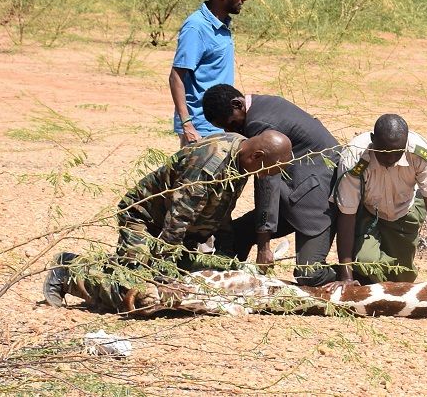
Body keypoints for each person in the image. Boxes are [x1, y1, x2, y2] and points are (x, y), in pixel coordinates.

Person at [43, 131, 292, 312]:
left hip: (184, 234)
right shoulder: (208, 167)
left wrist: (224, 257)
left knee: (195, 280)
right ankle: (70, 271)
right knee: (137, 293)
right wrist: (162, 276)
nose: (273, 175)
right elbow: (176, 222)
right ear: (257, 156)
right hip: (146, 221)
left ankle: (122, 264)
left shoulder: (241, 153)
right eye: (271, 169)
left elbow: (222, 210)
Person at [203, 84, 343, 286]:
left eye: (231, 124)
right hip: (296, 191)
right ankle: (231, 282)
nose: (231, 131)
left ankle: (354, 275)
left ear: (238, 104)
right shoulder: (262, 106)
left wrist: (264, 246)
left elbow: (266, 184)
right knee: (236, 235)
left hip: (317, 199)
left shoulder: (259, 123)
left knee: (309, 274)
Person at [323, 114, 427, 289]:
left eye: (397, 153)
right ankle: (355, 269)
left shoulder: (420, 152)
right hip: (367, 211)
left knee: (401, 279)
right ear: (372, 139)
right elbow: (347, 216)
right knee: (367, 264)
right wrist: (346, 276)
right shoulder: (354, 157)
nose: (390, 159)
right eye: (384, 152)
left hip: (405, 209)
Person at [169, 0, 247, 146]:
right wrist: (187, 126)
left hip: (221, 124)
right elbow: (176, 77)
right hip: (201, 128)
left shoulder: (222, 24)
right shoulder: (196, 27)